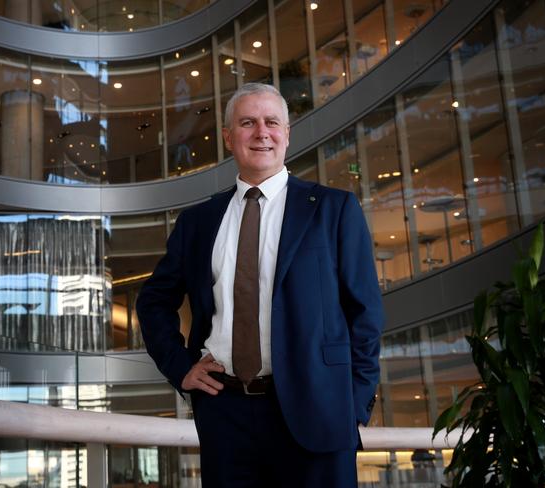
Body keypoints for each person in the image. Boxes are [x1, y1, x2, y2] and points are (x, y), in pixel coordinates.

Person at [136, 83, 384, 487]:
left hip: (318, 413)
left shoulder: (334, 210)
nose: (261, 133)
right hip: (225, 415)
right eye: (248, 123)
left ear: (287, 133)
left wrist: (352, 404)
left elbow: (365, 313)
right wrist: (180, 367)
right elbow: (153, 301)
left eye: (272, 122)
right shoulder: (198, 222)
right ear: (229, 137)